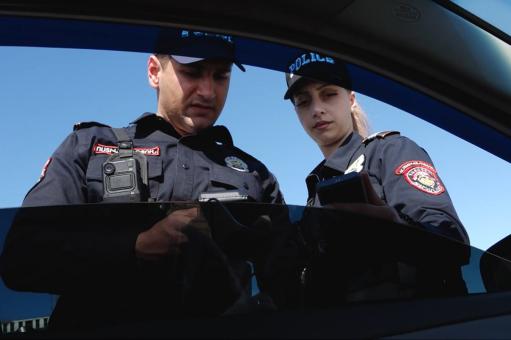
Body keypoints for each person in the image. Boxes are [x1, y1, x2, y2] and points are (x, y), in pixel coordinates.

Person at [0, 30, 284, 331]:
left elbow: (287, 282)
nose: (207, 91)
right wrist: (134, 246)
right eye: (192, 72)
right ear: (153, 72)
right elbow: (22, 257)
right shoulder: (90, 147)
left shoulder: (255, 174)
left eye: (220, 77)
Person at [280, 51, 470, 306]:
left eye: (328, 94)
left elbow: (451, 240)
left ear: (351, 99)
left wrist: (394, 227)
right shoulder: (316, 188)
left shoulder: (389, 151)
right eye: (303, 102)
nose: (317, 109)